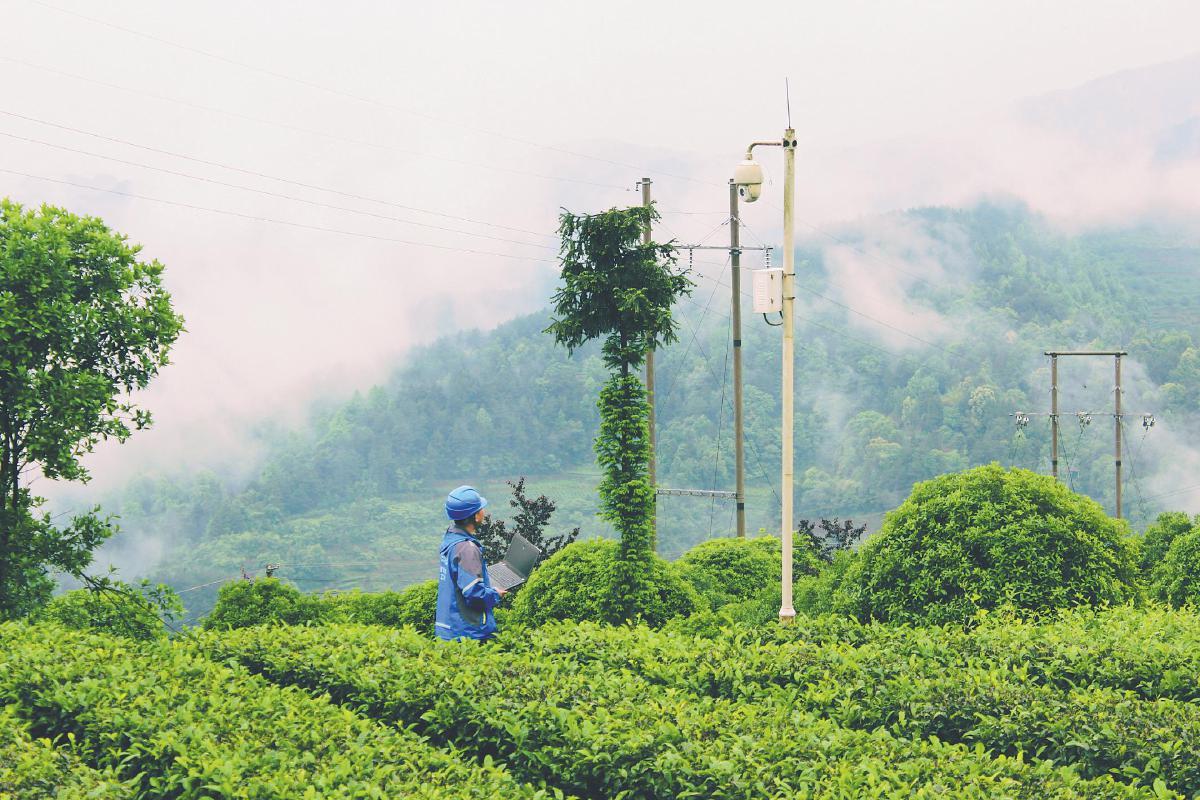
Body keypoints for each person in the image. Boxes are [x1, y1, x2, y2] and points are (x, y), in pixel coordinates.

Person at [436, 485, 505, 641]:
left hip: (448, 629)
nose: (484, 511)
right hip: (468, 635)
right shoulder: (467, 548)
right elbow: (475, 595)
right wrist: (495, 593)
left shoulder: (450, 541)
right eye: (481, 508)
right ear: (475, 516)